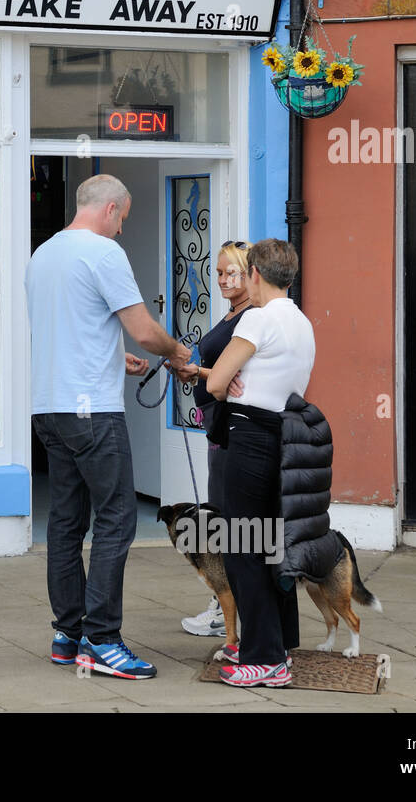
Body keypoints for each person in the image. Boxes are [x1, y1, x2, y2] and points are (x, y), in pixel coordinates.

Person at [26, 174, 192, 680]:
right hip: (93, 411)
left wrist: (112, 356)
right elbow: (145, 329)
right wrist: (180, 354)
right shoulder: (103, 253)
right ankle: (103, 640)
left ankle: (67, 634)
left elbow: (66, 327)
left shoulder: (44, 254)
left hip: (50, 408)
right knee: (117, 519)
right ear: (112, 208)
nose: (122, 230)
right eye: (123, 218)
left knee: (66, 522)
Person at [206, 238, 316, 688]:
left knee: (242, 546)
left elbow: (215, 383)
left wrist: (225, 377)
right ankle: (280, 646)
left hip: (250, 436)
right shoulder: (302, 322)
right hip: (285, 435)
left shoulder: (257, 317)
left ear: (254, 274)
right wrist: (234, 376)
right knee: (272, 545)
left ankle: (263, 657)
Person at [178, 241, 253, 640]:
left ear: (249, 273)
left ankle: (224, 606)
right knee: (219, 516)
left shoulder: (250, 318)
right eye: (220, 272)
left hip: (229, 429)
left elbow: (231, 377)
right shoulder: (233, 313)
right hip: (217, 427)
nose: (223, 279)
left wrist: (199, 373)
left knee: (223, 519)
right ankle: (225, 602)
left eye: (232, 273)